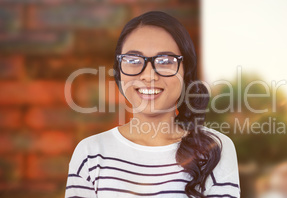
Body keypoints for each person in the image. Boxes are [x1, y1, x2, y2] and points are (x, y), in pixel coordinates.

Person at [65, 11, 240, 198]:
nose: (149, 75)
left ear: (185, 70)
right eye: (133, 60)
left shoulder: (214, 150)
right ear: (119, 71)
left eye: (165, 61)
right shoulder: (90, 154)